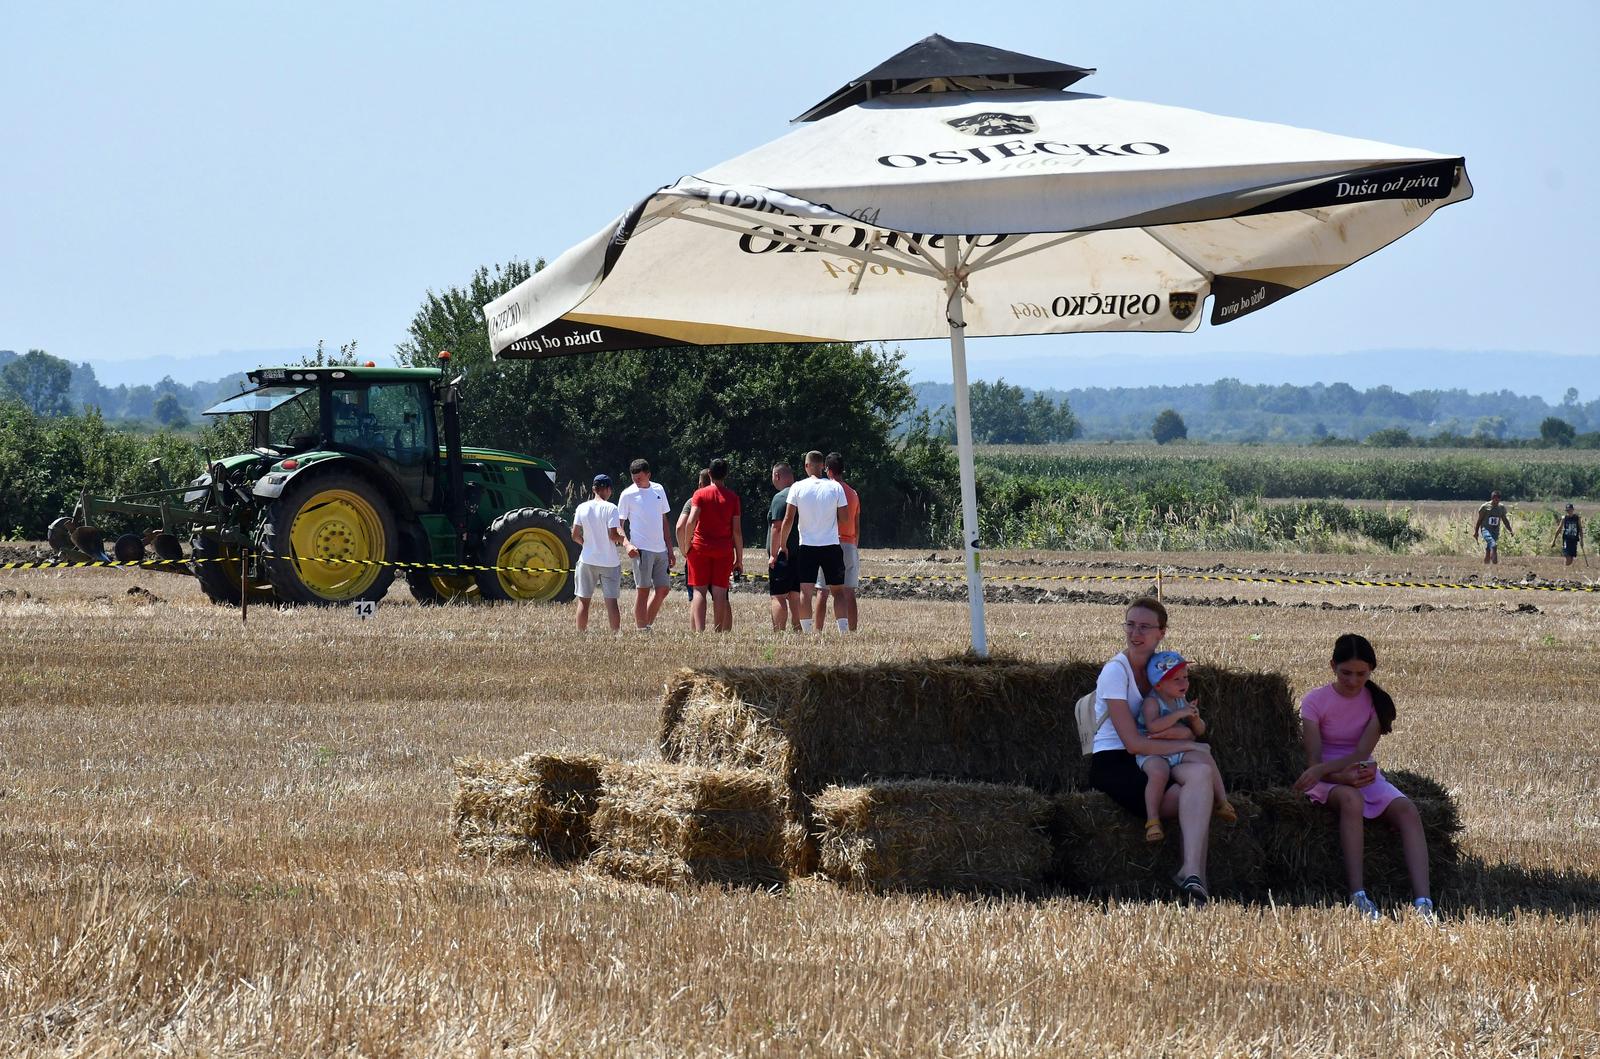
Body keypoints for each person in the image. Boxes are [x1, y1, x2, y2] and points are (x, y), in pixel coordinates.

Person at [1293, 633, 1434, 921]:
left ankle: (1424, 902)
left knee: (1407, 810)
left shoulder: (1377, 703)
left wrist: (1352, 772)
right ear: (1332, 666)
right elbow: (1314, 760)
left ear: (1371, 671)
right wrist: (1331, 774)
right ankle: (1358, 894)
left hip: (1359, 771)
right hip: (1329, 778)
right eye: (1346, 673)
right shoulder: (1314, 702)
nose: (1354, 680)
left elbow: (1361, 753)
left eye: (1361, 674)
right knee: (1351, 800)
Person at [1086, 597, 1217, 903]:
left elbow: (1181, 716)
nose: (1135, 632)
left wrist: (1190, 731)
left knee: (1202, 773)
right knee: (1195, 793)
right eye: (1130, 624)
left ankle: (1191, 873)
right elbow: (1132, 743)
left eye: (1145, 626)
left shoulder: (1164, 668)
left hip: (1157, 755)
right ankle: (1198, 881)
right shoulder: (1115, 672)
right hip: (1117, 760)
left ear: (1162, 632)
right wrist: (1189, 742)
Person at [1137, 651, 1236, 843]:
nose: (1184, 683)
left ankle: (1223, 801)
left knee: (1205, 757)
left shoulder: (1180, 700)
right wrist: (1178, 714)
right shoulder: (1151, 702)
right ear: (1158, 685)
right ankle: (1153, 820)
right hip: (1153, 751)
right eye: (1177, 679)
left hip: (1176, 749)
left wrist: (1194, 717)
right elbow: (1153, 726)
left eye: (1185, 678)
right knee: (1158, 773)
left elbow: (1199, 731)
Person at [774, 450, 847, 634]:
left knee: (805, 592)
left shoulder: (798, 487)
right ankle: (843, 632)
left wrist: (782, 545)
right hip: (831, 545)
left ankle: (807, 632)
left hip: (807, 546)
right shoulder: (835, 487)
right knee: (838, 592)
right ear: (823, 465)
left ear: (806, 466)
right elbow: (845, 518)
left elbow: (788, 519)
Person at [682, 458, 742, 632]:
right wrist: (739, 558)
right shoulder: (733, 498)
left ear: (709, 473)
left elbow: (690, 521)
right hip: (724, 550)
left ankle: (700, 631)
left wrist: (687, 545)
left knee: (699, 590)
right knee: (720, 592)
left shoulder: (699, 494)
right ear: (726, 475)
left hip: (700, 548)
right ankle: (718, 630)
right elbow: (737, 531)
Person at [617, 458, 674, 632]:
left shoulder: (659, 489)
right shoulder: (627, 494)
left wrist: (670, 549)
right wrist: (627, 545)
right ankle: (642, 629)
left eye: (640, 478)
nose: (637, 482)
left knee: (663, 589)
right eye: (634, 479)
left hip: (661, 550)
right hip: (640, 550)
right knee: (643, 591)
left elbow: (663, 520)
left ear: (648, 474)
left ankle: (644, 624)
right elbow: (619, 525)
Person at [811, 451, 861, 633]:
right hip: (850, 544)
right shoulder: (853, 493)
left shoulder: (827, 490)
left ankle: (817, 631)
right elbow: (856, 524)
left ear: (828, 470)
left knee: (822, 591)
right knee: (848, 591)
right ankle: (852, 630)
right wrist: (854, 546)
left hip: (829, 543)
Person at [570, 474, 623, 633]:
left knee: (584, 601)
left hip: (587, 559)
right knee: (611, 602)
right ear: (608, 489)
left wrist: (585, 544)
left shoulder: (581, 507)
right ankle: (615, 633)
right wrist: (624, 539)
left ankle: (581, 633)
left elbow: (574, 535)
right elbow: (613, 535)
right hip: (609, 561)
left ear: (593, 489)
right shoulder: (611, 508)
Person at [765, 462, 803, 631]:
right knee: (795, 595)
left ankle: (779, 631)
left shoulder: (781, 497)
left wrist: (773, 554)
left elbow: (777, 527)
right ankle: (798, 628)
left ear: (777, 476)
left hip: (783, 554)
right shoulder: (802, 494)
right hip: (800, 552)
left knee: (778, 596)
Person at [676, 468, 711, 613]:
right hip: (720, 551)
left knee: (696, 594)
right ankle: (723, 630)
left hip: (697, 551)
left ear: (701, 484)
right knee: (722, 596)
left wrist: (685, 548)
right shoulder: (726, 498)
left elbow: (680, 527)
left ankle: (697, 630)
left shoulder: (693, 501)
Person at [1471, 490, 1513, 565]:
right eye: (1495, 499)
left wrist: (1510, 530)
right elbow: (1479, 520)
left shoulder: (1501, 508)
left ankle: (1486, 564)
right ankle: (1495, 564)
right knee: (1493, 545)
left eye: (1498, 499)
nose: (1496, 501)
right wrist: (1476, 532)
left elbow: (1505, 520)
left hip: (1495, 531)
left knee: (1488, 549)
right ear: (1492, 498)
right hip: (1486, 530)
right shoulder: (1485, 507)